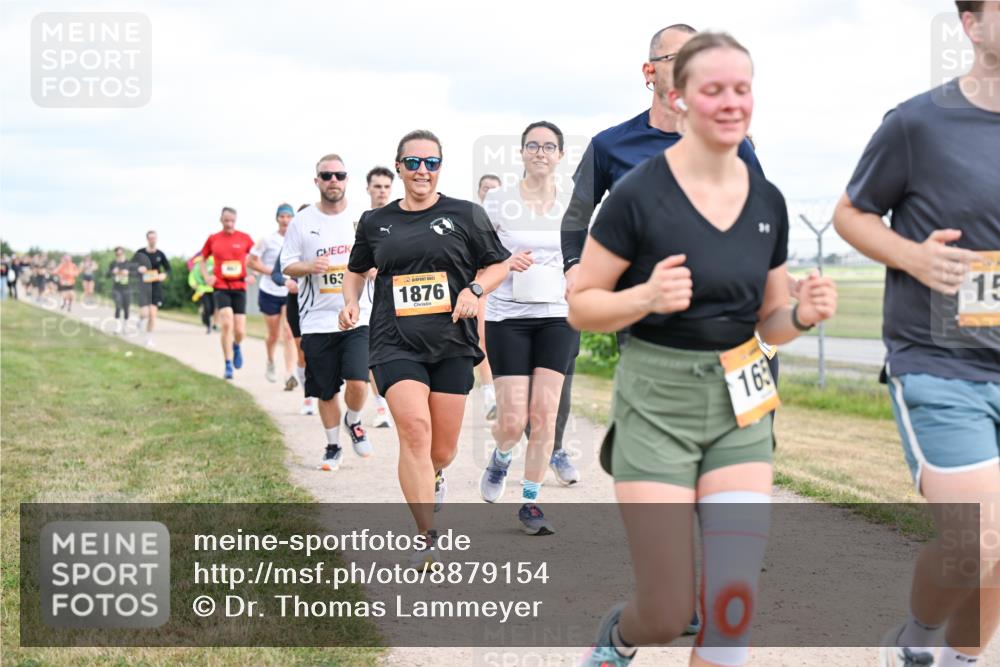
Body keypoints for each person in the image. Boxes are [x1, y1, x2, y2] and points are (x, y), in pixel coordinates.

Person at [569, 33, 837, 667]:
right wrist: (645, 298)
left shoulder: (766, 201)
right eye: (712, 89)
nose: (729, 102)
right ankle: (619, 640)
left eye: (741, 88)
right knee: (665, 613)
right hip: (658, 396)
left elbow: (769, 323)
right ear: (681, 97)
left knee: (732, 603)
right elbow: (582, 304)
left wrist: (800, 313)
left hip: (742, 399)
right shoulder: (638, 193)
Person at [834, 3, 1000, 665]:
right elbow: (851, 213)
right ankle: (915, 641)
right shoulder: (917, 123)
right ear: (972, 24)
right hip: (939, 360)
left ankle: (959, 657)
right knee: (978, 538)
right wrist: (912, 256)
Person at [342, 130, 510, 567]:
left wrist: (474, 288)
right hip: (393, 341)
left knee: (442, 450)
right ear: (398, 167)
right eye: (413, 162)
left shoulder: (466, 214)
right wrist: (348, 302)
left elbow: (498, 265)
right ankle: (426, 536)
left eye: (431, 163)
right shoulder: (375, 221)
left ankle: (435, 475)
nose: (422, 171)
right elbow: (356, 270)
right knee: (414, 430)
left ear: (440, 167)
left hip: (453, 341)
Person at [478, 121, 577, 535]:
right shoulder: (498, 201)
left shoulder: (575, 201)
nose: (540, 152)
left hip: (558, 315)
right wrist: (505, 264)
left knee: (545, 416)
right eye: (533, 146)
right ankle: (501, 455)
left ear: (559, 155)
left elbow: (585, 249)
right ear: (520, 153)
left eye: (549, 146)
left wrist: (578, 274)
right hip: (509, 318)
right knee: (513, 420)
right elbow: (480, 259)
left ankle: (531, 503)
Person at [282, 155, 373, 470]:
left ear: (347, 180)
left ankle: (355, 420)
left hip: (357, 316)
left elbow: (379, 260)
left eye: (339, 175)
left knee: (359, 382)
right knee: (325, 390)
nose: (333, 180)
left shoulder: (362, 221)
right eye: (327, 175)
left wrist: (373, 270)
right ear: (317, 180)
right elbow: (286, 264)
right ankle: (333, 446)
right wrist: (309, 266)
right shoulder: (302, 221)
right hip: (316, 319)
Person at [200, 207, 254, 380]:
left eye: (232, 220)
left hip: (239, 287)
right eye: (226, 220)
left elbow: (255, 257)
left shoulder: (244, 238)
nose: (229, 223)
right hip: (221, 285)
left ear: (236, 220)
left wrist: (253, 273)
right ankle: (228, 364)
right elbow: (202, 260)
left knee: (239, 330)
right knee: (226, 323)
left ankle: (236, 345)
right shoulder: (213, 239)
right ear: (221, 220)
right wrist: (207, 276)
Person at [249, 204, 297, 386]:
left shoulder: (296, 239)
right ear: (277, 218)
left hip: (288, 291)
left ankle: (289, 374)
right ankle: (270, 361)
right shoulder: (267, 240)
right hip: (269, 291)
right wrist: (272, 272)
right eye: (282, 216)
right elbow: (251, 262)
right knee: (273, 335)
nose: (285, 220)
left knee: (289, 332)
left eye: (288, 217)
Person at [365, 166, 396, 428]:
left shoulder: (398, 217)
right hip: (366, 303)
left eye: (386, 186)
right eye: (377, 186)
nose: (382, 191)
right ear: (368, 189)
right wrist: (371, 270)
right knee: (372, 356)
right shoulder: (361, 221)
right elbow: (352, 260)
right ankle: (381, 407)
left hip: (396, 300)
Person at [476, 173, 504, 421]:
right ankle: (489, 396)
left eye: (495, 189)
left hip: (507, 289)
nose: (490, 192)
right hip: (480, 286)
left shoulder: (509, 217)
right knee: (483, 340)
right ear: (479, 191)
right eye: (486, 188)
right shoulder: (472, 218)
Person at [133, 230, 171, 348]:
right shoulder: (140, 252)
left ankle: (149, 339)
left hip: (155, 286)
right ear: (147, 239)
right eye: (150, 238)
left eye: (154, 238)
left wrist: (164, 275)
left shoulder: (160, 254)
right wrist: (138, 268)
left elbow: (168, 269)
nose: (152, 240)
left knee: (153, 314)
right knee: (145, 313)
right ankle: (140, 320)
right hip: (143, 286)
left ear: (156, 239)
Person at [188, 254, 216, 334]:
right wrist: (197, 288)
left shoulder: (212, 261)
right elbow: (192, 280)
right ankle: (208, 325)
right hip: (202, 291)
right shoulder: (196, 268)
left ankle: (204, 316)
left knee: (213, 309)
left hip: (213, 289)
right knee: (207, 308)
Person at [108, 247, 132, 332]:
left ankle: (125, 326)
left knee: (126, 307)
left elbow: (135, 273)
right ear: (116, 254)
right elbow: (107, 275)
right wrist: (112, 272)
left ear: (123, 253)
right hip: (116, 288)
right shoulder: (113, 263)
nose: (119, 255)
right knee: (118, 306)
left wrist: (128, 272)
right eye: (117, 254)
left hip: (126, 288)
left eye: (120, 253)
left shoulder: (129, 263)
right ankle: (117, 327)